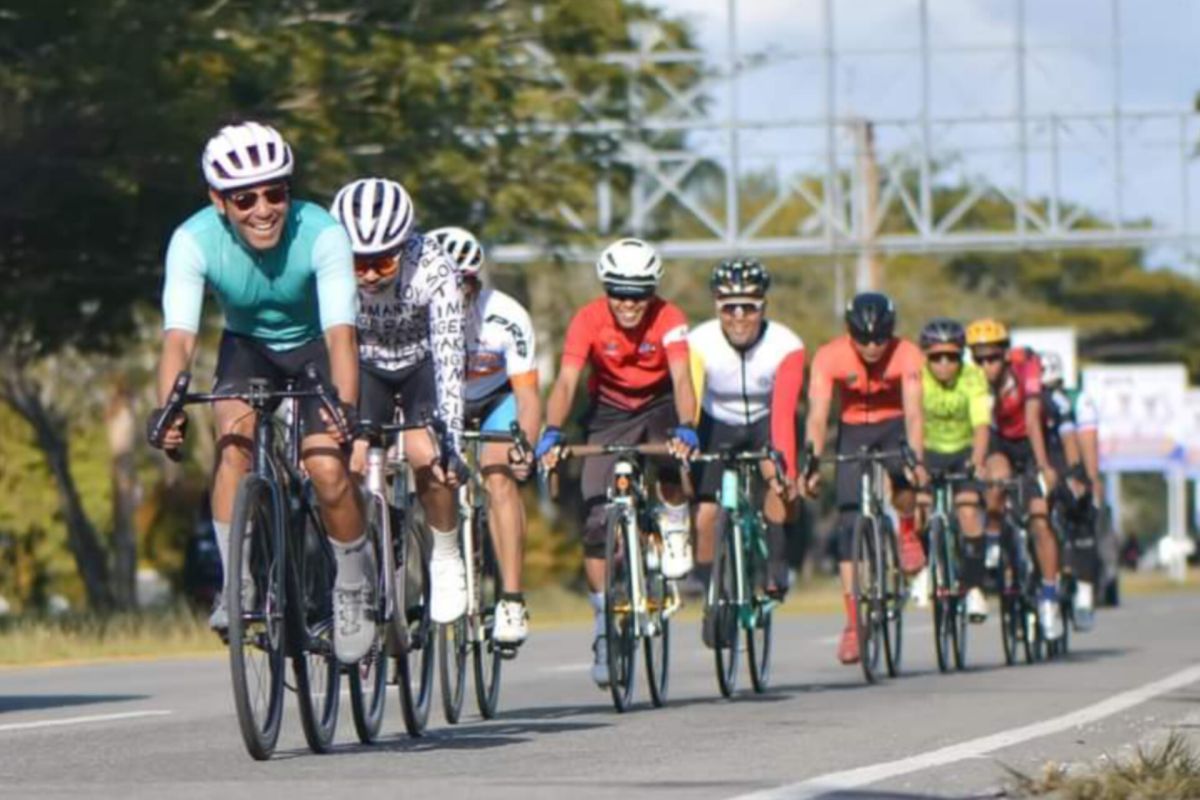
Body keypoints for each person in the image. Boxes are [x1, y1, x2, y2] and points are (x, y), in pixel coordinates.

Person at [147, 122, 367, 662]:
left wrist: (344, 408)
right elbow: (178, 340)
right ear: (219, 201)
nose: (264, 209)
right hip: (247, 347)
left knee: (326, 468)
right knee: (233, 445)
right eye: (245, 198)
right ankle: (237, 583)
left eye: (277, 192)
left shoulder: (322, 233)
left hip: (316, 345)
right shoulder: (192, 240)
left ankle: (353, 586)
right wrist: (167, 409)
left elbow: (342, 336)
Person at [536, 238, 697, 688]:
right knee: (593, 519)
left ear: (653, 290)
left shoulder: (671, 317)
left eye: (639, 293)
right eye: (619, 293)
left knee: (671, 453)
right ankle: (605, 625)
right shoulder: (587, 319)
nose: (629, 303)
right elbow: (567, 381)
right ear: (606, 289)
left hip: (659, 402)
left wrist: (688, 424)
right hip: (607, 410)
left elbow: (683, 378)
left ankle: (674, 521)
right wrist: (552, 429)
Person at [329, 177, 468, 635]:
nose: (369, 274)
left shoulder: (434, 267)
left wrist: (452, 438)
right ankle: (356, 565)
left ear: (405, 246)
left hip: (420, 366)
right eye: (358, 263)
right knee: (344, 463)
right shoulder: (326, 264)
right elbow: (321, 344)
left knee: (428, 456)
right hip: (364, 365)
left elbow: (449, 356)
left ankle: (445, 550)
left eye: (382, 261)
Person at [430, 225, 540, 648]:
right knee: (429, 474)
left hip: (496, 399)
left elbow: (528, 395)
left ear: (477, 283)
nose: (455, 295)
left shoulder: (506, 316)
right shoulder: (415, 312)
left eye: (464, 285)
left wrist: (524, 444)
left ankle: (511, 598)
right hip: (442, 402)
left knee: (498, 476)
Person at [803, 292, 927, 665]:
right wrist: (809, 459)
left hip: (892, 427)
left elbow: (915, 415)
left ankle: (906, 530)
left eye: (880, 339)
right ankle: (854, 624)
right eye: (864, 339)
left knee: (903, 481)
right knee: (847, 523)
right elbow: (817, 415)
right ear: (848, 331)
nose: (873, 347)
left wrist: (915, 459)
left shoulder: (907, 354)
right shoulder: (830, 356)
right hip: (853, 430)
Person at [688, 259, 805, 630]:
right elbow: (689, 401)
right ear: (717, 307)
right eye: (729, 307)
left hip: (765, 419)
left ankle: (775, 566)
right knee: (706, 515)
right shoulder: (698, 342)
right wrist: (686, 437)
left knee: (778, 480)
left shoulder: (786, 344)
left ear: (763, 307)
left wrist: (782, 466)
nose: (739, 316)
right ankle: (711, 593)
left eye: (749, 307)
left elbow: (784, 412)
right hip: (715, 421)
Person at [965, 319, 1063, 641]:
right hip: (1000, 443)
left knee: (1039, 520)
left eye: (992, 358)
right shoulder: (972, 381)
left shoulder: (1026, 369)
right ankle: (993, 541)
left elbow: (1033, 421)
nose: (985, 366)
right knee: (997, 478)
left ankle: (1049, 597)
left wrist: (1043, 466)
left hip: (1031, 441)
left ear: (1005, 355)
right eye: (978, 359)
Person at [917, 318, 991, 622]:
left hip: (962, 450)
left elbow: (982, 424)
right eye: (936, 357)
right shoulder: (917, 378)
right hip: (929, 449)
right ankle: (923, 568)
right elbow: (913, 421)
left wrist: (978, 458)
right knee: (920, 508)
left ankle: (974, 588)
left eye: (952, 356)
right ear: (926, 357)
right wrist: (917, 463)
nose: (944, 364)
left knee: (969, 512)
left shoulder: (973, 377)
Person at [1040, 350, 1097, 630]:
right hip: (1037, 462)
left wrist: (1085, 479)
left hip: (1064, 458)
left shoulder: (1076, 400)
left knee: (1082, 505)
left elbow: (1085, 445)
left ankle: (1085, 589)